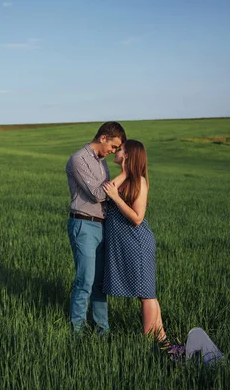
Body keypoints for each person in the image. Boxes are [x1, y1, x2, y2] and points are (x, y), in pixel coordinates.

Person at [102, 139, 170, 344]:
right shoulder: (126, 178)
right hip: (126, 243)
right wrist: (123, 172)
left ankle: (151, 340)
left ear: (128, 155)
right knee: (145, 293)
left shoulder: (139, 181)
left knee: (146, 293)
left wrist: (117, 198)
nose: (116, 151)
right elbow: (108, 190)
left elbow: (138, 217)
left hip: (137, 243)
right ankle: (162, 340)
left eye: (120, 150)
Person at [66, 121, 126, 334]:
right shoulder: (78, 159)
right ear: (103, 138)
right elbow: (99, 194)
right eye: (112, 146)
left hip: (102, 226)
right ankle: (78, 330)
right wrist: (125, 175)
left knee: (100, 282)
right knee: (85, 280)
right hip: (83, 224)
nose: (113, 151)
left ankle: (103, 331)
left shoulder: (102, 162)